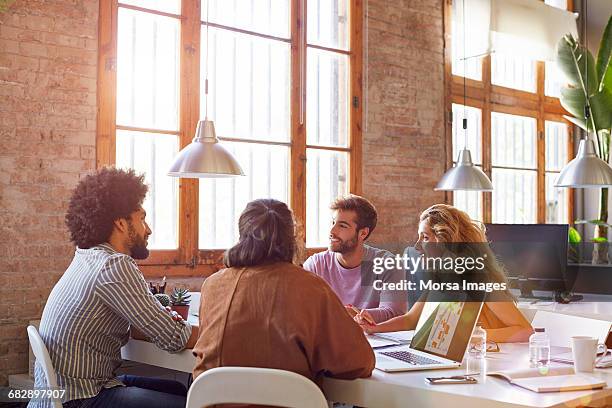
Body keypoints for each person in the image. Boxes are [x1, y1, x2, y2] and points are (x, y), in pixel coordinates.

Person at [29, 168, 193, 408]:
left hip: (66, 393)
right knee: (190, 402)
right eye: (142, 219)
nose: (148, 229)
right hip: (80, 398)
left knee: (180, 389)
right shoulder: (113, 265)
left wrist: (159, 317)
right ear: (120, 222)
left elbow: (148, 325)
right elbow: (175, 337)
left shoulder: (87, 257)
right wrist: (220, 332)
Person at [192, 199, 374, 385]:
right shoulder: (311, 287)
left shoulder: (212, 285)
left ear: (241, 234)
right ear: (291, 237)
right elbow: (360, 363)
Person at [355, 204, 533, 343]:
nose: (417, 246)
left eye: (425, 237)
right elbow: (410, 320)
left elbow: (525, 331)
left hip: (485, 362)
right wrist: (375, 328)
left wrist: (468, 336)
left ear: (445, 241)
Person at [303, 195, 407, 323]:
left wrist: (351, 313)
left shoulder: (388, 264)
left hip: (374, 340)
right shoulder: (315, 265)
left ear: (363, 233)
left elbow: (394, 312)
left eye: (342, 226)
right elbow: (305, 313)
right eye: (333, 223)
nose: (332, 231)